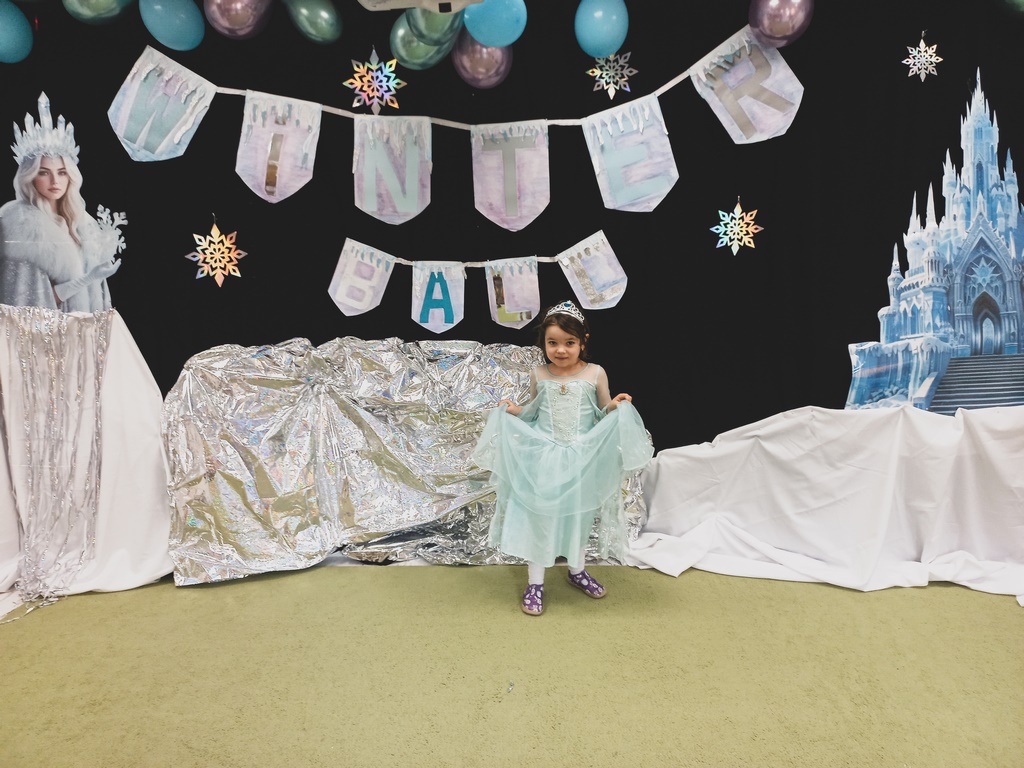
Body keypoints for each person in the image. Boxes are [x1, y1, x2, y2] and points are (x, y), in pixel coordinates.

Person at [473, 300, 654, 616]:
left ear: (583, 341)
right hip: (545, 458)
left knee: (578, 517)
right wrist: (515, 411)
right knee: (540, 519)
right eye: (552, 343)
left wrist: (614, 406)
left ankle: (576, 570)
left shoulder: (595, 373)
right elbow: (533, 412)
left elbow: (601, 412)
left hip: (582, 459)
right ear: (543, 343)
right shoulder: (539, 373)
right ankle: (535, 582)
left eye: (569, 343)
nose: (560, 350)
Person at [0, 93, 123, 313]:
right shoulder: (20, 227)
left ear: (71, 176)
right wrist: (85, 280)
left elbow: (98, 295)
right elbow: (26, 304)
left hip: (86, 327)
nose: (55, 181)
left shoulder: (83, 223)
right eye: (44, 172)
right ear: (30, 176)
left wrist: (95, 278)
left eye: (62, 172)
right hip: (48, 330)